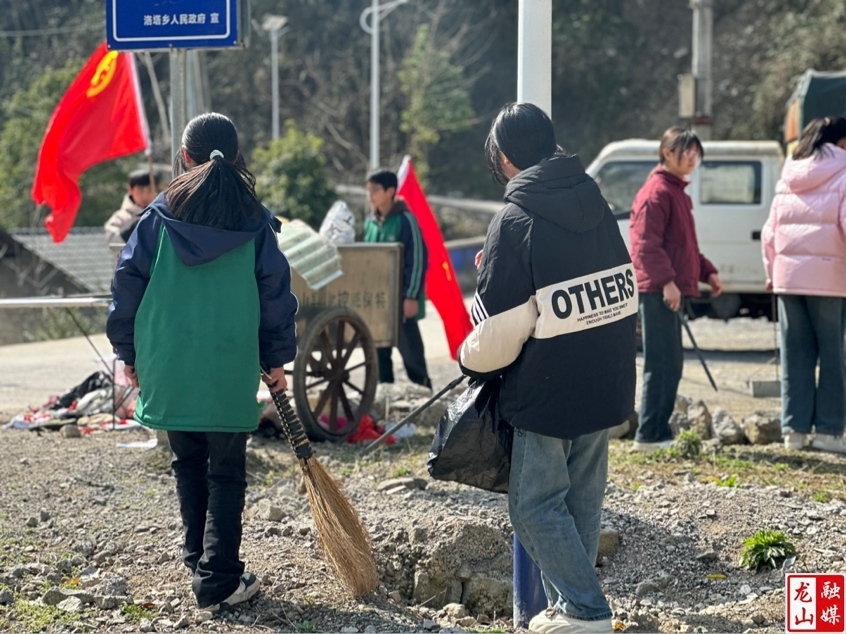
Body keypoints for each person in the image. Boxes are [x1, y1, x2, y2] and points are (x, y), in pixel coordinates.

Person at [106, 113, 298, 613]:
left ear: (184, 158)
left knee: (186, 461)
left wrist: (128, 352)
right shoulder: (255, 221)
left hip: (168, 361)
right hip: (228, 363)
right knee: (226, 471)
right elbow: (276, 294)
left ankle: (200, 563)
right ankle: (217, 580)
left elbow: (127, 284)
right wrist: (276, 358)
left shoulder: (157, 217)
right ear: (238, 158)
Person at [459, 103, 637, 634]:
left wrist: (468, 359)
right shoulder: (596, 203)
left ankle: (586, 609)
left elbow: (496, 330)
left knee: (534, 505)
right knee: (581, 498)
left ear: (504, 156)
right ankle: (571, 609)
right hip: (606, 379)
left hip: (548, 389)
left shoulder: (515, 219)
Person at [628, 127, 722, 451]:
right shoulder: (657, 192)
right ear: (667, 152)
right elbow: (644, 246)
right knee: (662, 363)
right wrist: (668, 282)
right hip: (657, 291)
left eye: (697, 153)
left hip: (666, 289)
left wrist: (707, 272)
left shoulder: (676, 191)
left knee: (670, 362)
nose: (693, 159)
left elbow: (685, 247)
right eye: (688, 152)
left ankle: (657, 433)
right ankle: (650, 436)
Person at [762, 116, 846, 454]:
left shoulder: (789, 175)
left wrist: (773, 273)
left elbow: (770, 231)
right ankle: (828, 432)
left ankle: (793, 432)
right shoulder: (843, 174)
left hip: (787, 279)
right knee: (832, 355)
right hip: (829, 279)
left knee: (795, 353)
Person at [364, 168, 432, 389]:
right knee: (378, 355)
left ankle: (424, 397)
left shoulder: (405, 220)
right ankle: (385, 401)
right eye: (369, 190)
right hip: (378, 303)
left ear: (390, 191)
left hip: (402, 302)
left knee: (411, 354)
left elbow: (418, 259)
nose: (370, 195)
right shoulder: (370, 222)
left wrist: (410, 296)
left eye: (375, 190)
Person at [104, 169, 168, 243]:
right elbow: (113, 242)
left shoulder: (163, 213)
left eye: (150, 190)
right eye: (140, 190)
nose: (145, 196)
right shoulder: (120, 218)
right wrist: (134, 227)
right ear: (130, 190)